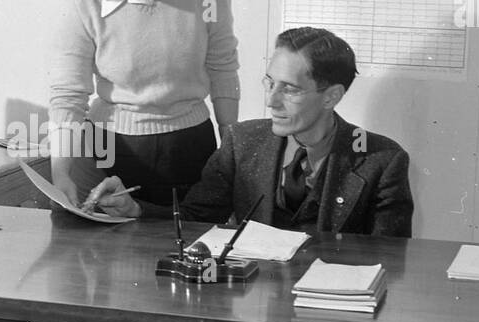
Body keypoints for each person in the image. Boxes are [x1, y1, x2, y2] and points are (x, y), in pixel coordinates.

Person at [84, 26, 413, 237]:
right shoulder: (242, 143)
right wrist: (135, 209)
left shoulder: (381, 160)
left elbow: (391, 260)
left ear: (331, 96)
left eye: (290, 89)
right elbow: (194, 218)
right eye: (270, 82)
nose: (271, 100)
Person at [48, 0, 240, 210]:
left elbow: (222, 64)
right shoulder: (85, 0)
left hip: (187, 144)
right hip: (105, 145)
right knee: (92, 250)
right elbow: (67, 94)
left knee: (182, 244)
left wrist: (232, 150)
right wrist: (60, 173)